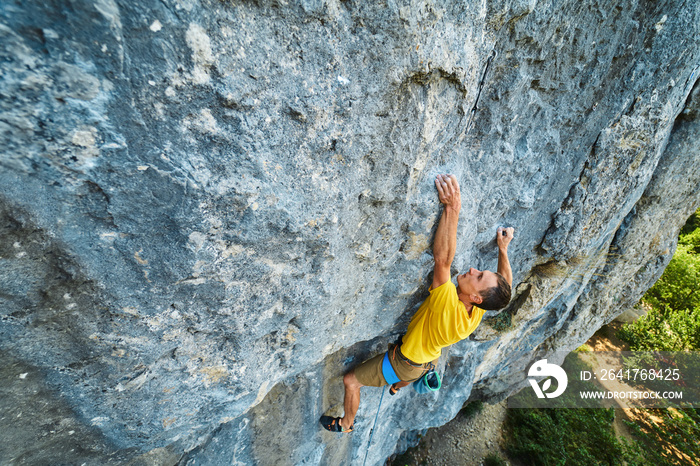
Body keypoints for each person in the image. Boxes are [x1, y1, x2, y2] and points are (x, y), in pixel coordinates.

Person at [320, 174, 514, 433]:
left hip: (405, 361)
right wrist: (503, 249)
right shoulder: (478, 309)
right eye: (481, 271)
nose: (472, 269)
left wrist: (452, 208)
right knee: (402, 378)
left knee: (351, 381)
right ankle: (395, 386)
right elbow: (506, 288)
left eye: (478, 276)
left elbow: (442, 260)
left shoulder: (448, 306)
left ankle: (345, 423)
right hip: (423, 362)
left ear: (476, 297)